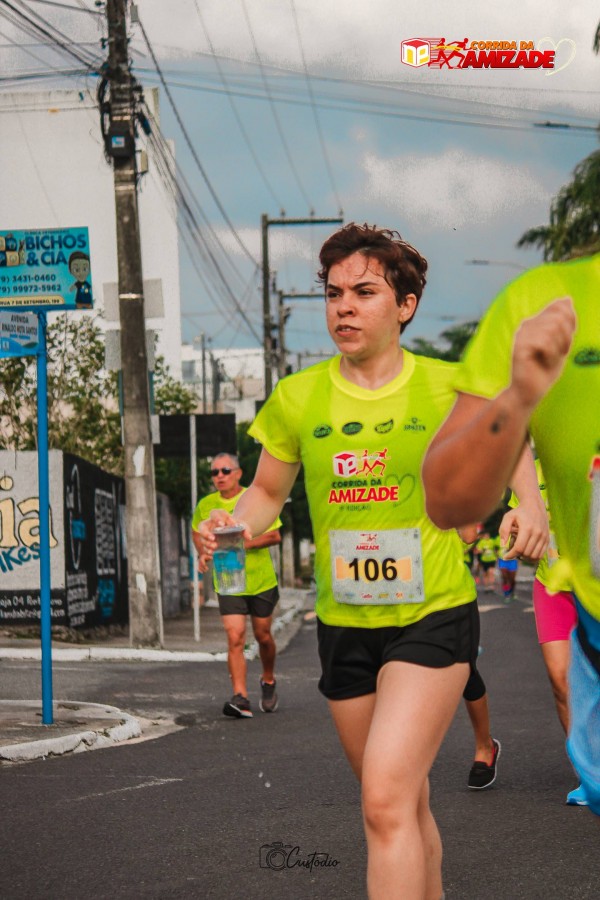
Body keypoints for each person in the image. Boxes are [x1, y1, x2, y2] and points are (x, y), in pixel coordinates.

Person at [196, 224, 546, 898]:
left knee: (383, 801)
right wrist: (225, 523)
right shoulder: (299, 398)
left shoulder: (450, 387)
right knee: (403, 804)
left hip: (434, 615)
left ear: (405, 305)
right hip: (344, 624)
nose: (343, 307)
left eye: (364, 291)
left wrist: (526, 506)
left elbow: (515, 441)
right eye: (332, 294)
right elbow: (266, 494)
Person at [422, 252, 599, 817]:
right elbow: (507, 437)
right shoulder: (543, 308)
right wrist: (526, 501)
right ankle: (587, 769)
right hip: (555, 563)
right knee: (558, 673)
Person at [510, 457, 584, 804]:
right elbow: (524, 540)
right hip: (552, 587)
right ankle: (588, 771)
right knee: (560, 679)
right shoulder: (531, 473)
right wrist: (522, 540)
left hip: (593, 589)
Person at [191, 452, 282, 719]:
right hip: (229, 581)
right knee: (235, 637)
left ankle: (268, 680)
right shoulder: (206, 505)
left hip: (261, 579)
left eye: (225, 471)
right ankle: (240, 697)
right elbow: (199, 534)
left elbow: (274, 535)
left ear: (238, 473)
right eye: (215, 472)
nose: (219, 476)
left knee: (263, 636)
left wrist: (234, 541)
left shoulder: (255, 499)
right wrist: (203, 552)